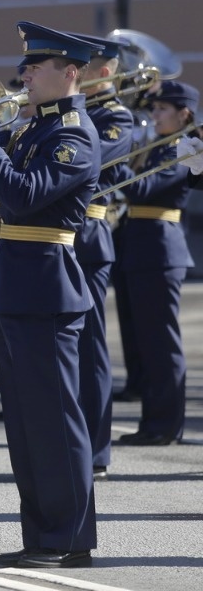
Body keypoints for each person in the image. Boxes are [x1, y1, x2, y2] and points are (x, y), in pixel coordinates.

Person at [0, 22, 103, 568]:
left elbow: (24, 193)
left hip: (47, 286)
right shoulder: (31, 127)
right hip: (12, 283)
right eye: (26, 65)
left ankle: (70, 538)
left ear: (71, 73)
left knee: (55, 420)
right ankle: (42, 533)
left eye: (37, 66)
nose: (25, 73)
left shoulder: (75, 135)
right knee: (24, 423)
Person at [112, 80, 199, 446]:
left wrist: (110, 163)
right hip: (137, 246)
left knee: (161, 343)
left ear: (184, 115)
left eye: (163, 109)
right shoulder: (154, 147)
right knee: (144, 342)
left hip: (160, 250)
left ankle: (165, 426)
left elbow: (143, 189)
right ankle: (152, 422)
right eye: (154, 108)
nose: (155, 115)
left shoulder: (183, 148)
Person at [67, 33, 134, 477]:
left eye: (83, 67)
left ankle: (95, 448)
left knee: (90, 348)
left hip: (88, 236)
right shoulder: (71, 113)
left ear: (105, 71)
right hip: (53, 236)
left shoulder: (116, 117)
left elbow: (88, 158)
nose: (74, 74)